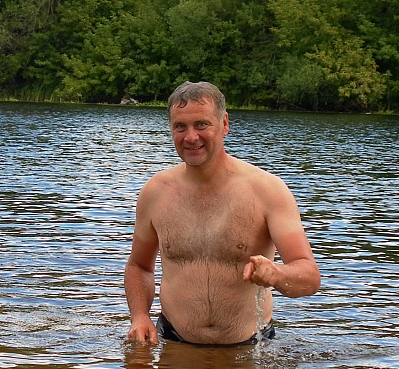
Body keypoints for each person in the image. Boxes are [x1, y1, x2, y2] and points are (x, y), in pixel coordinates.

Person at [125, 81, 320, 345]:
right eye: (180, 127)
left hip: (250, 345)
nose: (191, 137)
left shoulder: (267, 190)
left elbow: (309, 277)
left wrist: (276, 274)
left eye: (201, 125)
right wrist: (139, 316)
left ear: (224, 124)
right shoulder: (156, 192)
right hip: (175, 341)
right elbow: (139, 266)